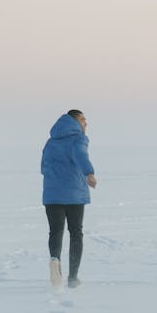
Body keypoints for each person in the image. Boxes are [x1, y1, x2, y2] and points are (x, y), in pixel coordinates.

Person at [40, 110, 97, 288]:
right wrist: (89, 173)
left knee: (55, 231)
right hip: (74, 194)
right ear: (73, 122)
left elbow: (43, 166)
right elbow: (81, 155)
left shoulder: (51, 142)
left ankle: (55, 261)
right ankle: (72, 277)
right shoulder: (78, 139)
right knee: (75, 232)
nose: (85, 123)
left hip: (52, 194)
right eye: (82, 119)